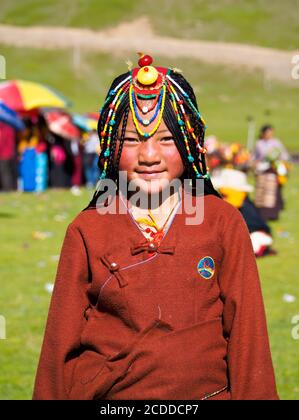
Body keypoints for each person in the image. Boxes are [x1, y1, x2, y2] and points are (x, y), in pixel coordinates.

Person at [33, 54, 279, 400]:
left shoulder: (222, 222)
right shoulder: (87, 229)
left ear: (191, 142)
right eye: (132, 140)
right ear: (109, 146)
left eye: (166, 139)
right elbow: (59, 344)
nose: (149, 155)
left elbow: (247, 334)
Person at [252, 124, 290, 221]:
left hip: (273, 170)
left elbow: (284, 155)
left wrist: (278, 160)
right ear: (263, 133)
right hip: (262, 170)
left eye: (271, 133)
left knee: (272, 193)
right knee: (261, 192)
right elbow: (254, 157)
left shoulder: (276, 143)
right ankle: (261, 213)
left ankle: (272, 214)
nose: (269, 135)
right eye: (268, 133)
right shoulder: (259, 144)